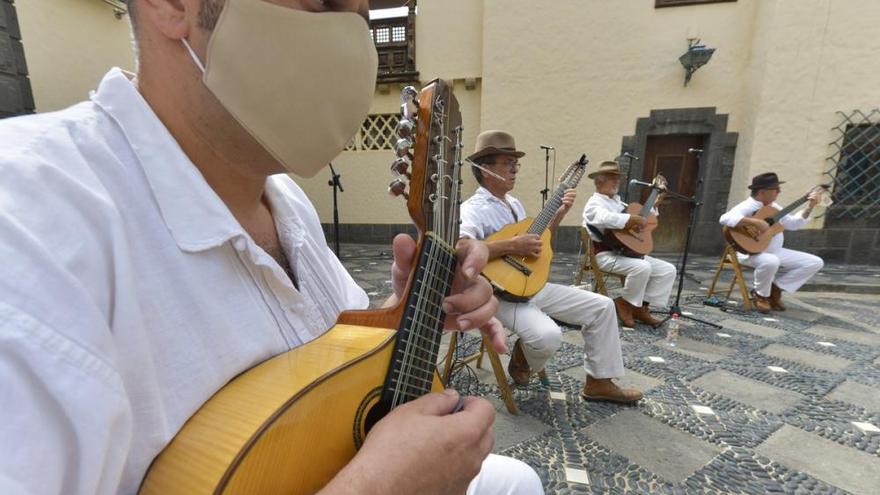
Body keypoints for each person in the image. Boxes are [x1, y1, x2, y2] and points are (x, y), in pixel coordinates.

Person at [0, 1, 543, 494]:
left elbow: (332, 356)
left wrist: (411, 309)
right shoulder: (28, 223)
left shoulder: (281, 195)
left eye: (361, 13)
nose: (354, 43)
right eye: (326, 3)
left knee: (515, 481)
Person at [459, 130, 642, 404]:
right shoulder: (473, 208)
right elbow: (461, 248)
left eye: (515, 164)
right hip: (494, 294)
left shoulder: (514, 204)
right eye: (508, 164)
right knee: (548, 336)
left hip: (529, 285)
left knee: (602, 306)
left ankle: (599, 381)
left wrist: (558, 216)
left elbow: (536, 244)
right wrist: (511, 245)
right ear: (486, 169)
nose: (514, 170)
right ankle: (523, 357)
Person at [581, 161, 677, 327]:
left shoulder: (620, 204)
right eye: (612, 178)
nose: (616, 181)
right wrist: (630, 219)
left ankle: (640, 307)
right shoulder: (594, 204)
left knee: (667, 270)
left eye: (618, 178)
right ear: (599, 181)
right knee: (642, 267)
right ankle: (625, 303)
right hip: (604, 255)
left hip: (625, 253)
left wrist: (655, 202)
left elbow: (643, 217)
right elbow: (604, 218)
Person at [719, 172, 824, 313]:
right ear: (762, 192)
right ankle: (761, 295)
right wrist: (755, 222)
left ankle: (775, 288)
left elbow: (793, 224)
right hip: (749, 253)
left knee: (815, 262)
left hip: (774, 251)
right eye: (776, 189)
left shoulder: (774, 207)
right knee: (771, 261)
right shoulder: (748, 205)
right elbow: (725, 218)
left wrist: (810, 206)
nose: (779, 192)